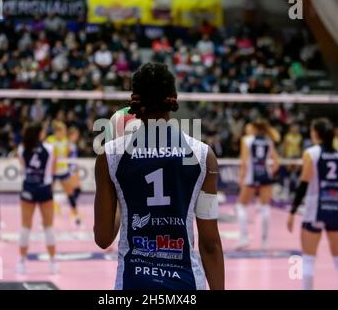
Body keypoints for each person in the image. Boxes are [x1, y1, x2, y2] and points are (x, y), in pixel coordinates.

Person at [94, 63, 225, 290]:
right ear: (173, 98)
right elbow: (210, 243)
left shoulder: (110, 157)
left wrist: (119, 191)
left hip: (133, 284)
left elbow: (103, 238)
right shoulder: (204, 156)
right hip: (186, 283)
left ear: (134, 99)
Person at [287, 118, 338, 290]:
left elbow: (303, 184)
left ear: (315, 133)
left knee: (308, 259)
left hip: (314, 211)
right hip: (335, 211)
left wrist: (292, 211)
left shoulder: (311, 153)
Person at [16, 122, 58, 274]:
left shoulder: (21, 149)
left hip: (28, 187)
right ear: (40, 133)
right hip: (44, 189)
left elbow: (23, 167)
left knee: (25, 226)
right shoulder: (50, 149)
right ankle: (53, 262)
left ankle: (21, 262)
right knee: (48, 226)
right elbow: (53, 170)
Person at [235, 118, 280, 250]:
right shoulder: (268, 141)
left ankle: (243, 238)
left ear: (254, 128)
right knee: (265, 207)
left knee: (241, 206)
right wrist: (269, 172)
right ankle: (265, 242)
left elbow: (244, 162)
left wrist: (242, 178)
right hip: (266, 176)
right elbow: (276, 163)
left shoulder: (247, 140)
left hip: (251, 177)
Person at [46, 121, 80, 223]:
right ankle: (48, 218)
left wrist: (74, 170)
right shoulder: (50, 140)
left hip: (63, 171)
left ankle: (76, 215)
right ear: (57, 131)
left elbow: (71, 156)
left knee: (70, 193)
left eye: (64, 131)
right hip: (52, 172)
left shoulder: (67, 142)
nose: (64, 133)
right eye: (62, 131)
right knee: (48, 194)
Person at [68, 126, 82, 225]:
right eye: (76, 134)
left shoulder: (73, 144)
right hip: (69, 170)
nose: (77, 136)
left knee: (77, 190)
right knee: (73, 190)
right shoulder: (68, 144)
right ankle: (73, 211)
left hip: (73, 169)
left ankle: (65, 202)